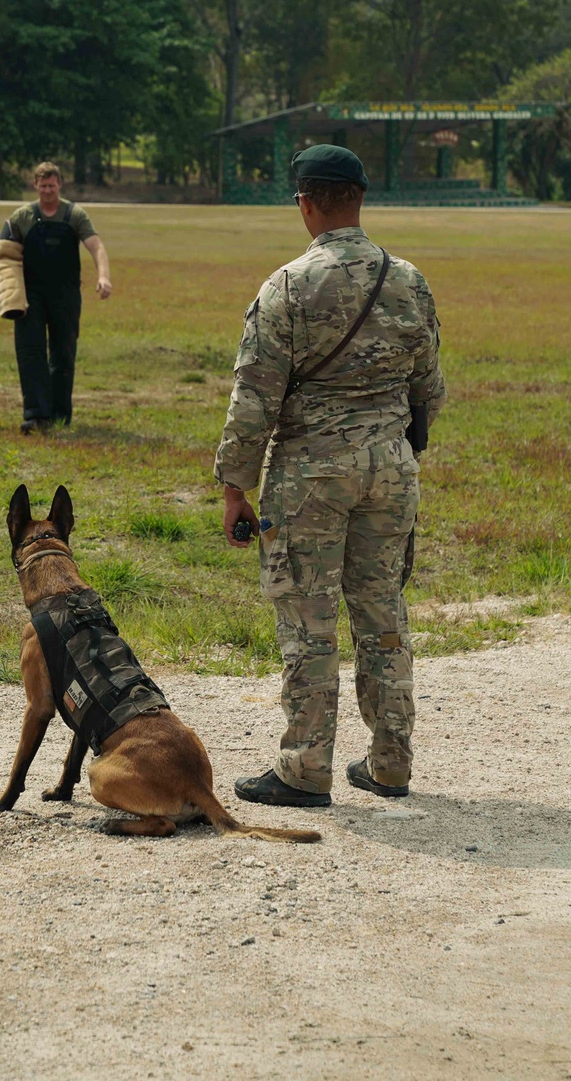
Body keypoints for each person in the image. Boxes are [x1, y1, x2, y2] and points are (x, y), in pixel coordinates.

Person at [214, 144, 445, 807]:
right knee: (382, 612)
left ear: (306, 203)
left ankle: (306, 766)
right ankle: (391, 761)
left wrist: (236, 487)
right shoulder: (408, 279)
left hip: (311, 476)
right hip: (391, 469)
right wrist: (402, 448)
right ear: (361, 198)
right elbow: (430, 384)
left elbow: (253, 397)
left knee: (309, 620)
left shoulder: (287, 284)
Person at [0, 162, 112, 435]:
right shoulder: (22, 217)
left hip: (66, 294)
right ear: (35, 186)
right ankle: (36, 416)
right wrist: (7, 294)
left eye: (52, 185)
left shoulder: (74, 215)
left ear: (60, 185)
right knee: (31, 353)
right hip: (30, 296)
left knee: (63, 354)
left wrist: (104, 276)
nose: (47, 190)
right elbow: (1, 256)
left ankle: (61, 414)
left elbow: (96, 246)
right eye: (43, 185)